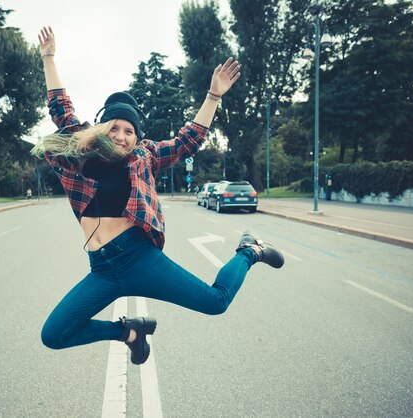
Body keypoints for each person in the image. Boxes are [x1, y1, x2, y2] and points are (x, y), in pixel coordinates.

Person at [33, 27, 284, 365]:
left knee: (215, 301)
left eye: (129, 131)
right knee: (54, 335)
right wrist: (49, 58)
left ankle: (249, 251)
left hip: (138, 258)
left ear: (137, 137)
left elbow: (187, 140)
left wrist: (213, 97)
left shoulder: (145, 157)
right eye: (115, 128)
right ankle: (128, 331)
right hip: (103, 269)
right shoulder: (81, 154)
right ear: (101, 129)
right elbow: (60, 107)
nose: (121, 136)